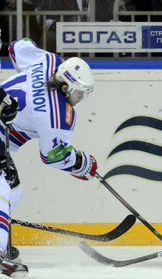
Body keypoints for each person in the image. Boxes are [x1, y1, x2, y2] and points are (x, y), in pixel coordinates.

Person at [0, 38, 98, 276]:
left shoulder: (49, 61)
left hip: (1, 137)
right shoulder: (57, 115)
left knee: (14, 191)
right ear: (66, 87)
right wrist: (83, 164)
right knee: (2, 190)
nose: (81, 98)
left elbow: (17, 46)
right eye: (80, 93)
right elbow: (53, 156)